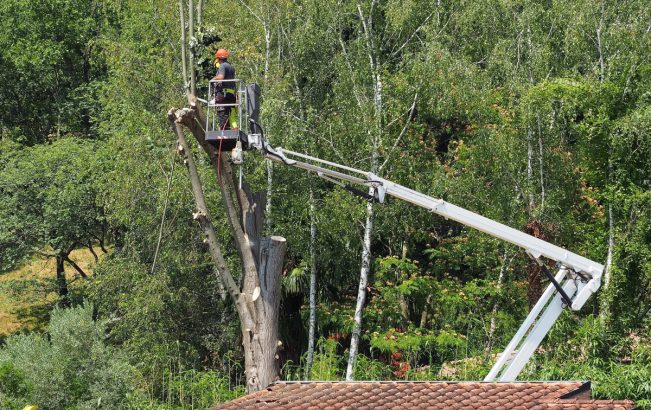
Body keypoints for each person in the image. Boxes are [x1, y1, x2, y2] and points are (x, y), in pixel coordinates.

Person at [212, 48, 237, 130]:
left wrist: (212, 79)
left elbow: (221, 77)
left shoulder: (222, 66)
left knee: (222, 111)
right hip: (231, 93)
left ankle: (223, 131)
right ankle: (234, 129)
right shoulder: (231, 67)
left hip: (223, 93)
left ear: (218, 58)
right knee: (231, 112)